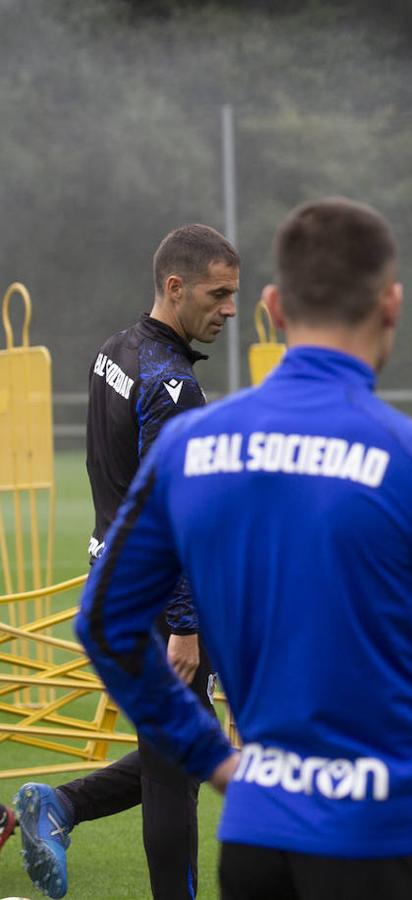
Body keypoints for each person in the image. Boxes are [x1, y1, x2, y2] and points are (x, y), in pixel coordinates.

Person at [72, 197, 412, 899]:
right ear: (391, 305)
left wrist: (211, 757)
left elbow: (105, 624)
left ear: (272, 303)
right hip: (401, 834)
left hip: (260, 839)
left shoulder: (192, 446)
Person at [15, 224, 239, 900]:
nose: (229, 309)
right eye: (218, 293)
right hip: (153, 599)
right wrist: (184, 624)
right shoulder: (171, 388)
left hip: (113, 583)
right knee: (175, 767)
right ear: (175, 287)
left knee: (177, 748)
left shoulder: (115, 351)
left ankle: (58, 806)